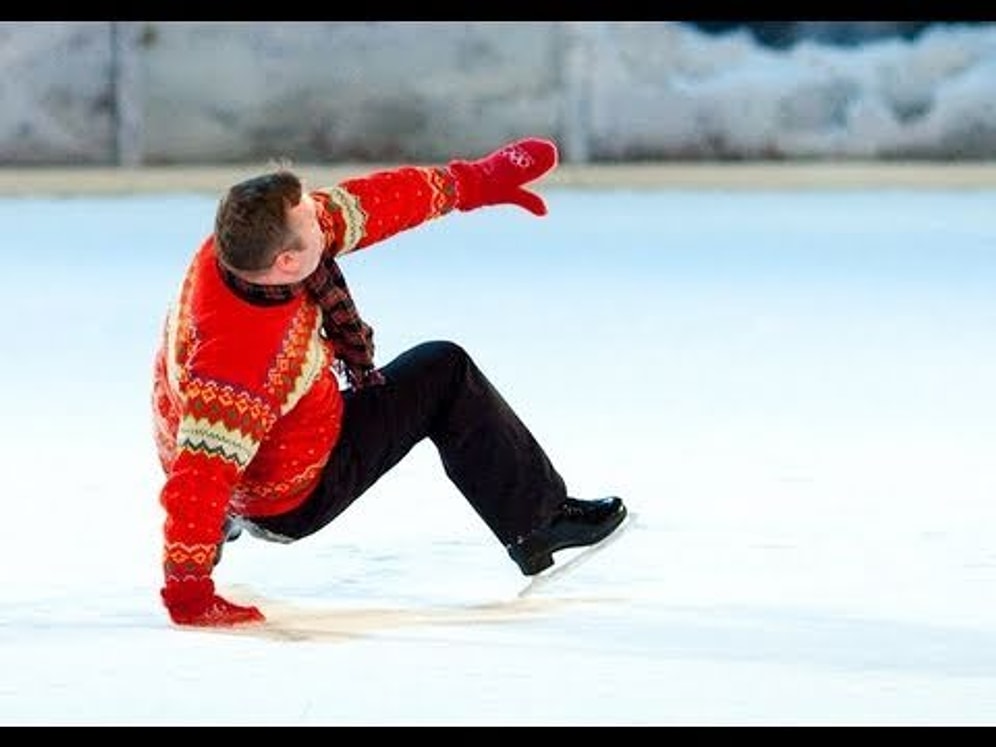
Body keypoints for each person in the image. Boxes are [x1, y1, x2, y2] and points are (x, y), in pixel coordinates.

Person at [152, 136, 628, 628]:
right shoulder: (241, 360)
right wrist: (189, 594)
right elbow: (200, 475)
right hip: (286, 496)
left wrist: (475, 182)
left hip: (238, 445)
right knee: (444, 372)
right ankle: (539, 524)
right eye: (312, 219)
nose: (324, 213)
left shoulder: (238, 252)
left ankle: (223, 520)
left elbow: (370, 205)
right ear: (287, 263)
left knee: (229, 453)